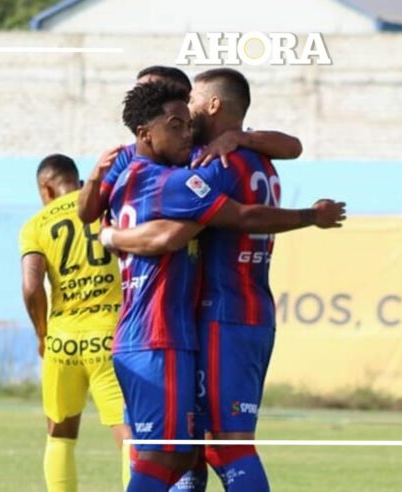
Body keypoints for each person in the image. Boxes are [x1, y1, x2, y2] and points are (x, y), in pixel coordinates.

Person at [105, 81, 344, 492]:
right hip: (223, 319)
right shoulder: (252, 160)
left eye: (193, 102)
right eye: (176, 120)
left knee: (211, 447)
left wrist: (111, 236)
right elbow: (290, 151)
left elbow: (183, 230)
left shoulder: (208, 164)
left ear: (213, 105)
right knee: (193, 449)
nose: (189, 114)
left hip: (215, 319)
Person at [18, 153, 131, 491]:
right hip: (110, 338)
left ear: (46, 189)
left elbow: (31, 287)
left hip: (62, 342)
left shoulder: (36, 225)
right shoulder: (107, 209)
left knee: (60, 435)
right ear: (78, 182)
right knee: (129, 434)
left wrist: (42, 335)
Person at [76, 65, 303, 225]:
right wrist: (94, 180)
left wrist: (238, 137)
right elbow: (87, 214)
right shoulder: (128, 156)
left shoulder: (213, 153)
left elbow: (293, 147)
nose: (145, 103)